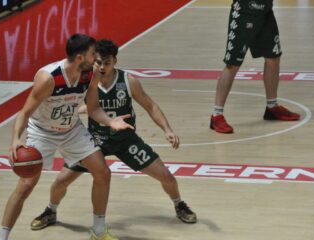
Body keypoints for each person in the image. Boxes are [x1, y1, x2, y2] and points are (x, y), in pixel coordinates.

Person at [30, 39, 197, 235]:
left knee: (166, 176)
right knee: (61, 182)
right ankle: (51, 211)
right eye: (98, 62)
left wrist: (167, 129)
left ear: (115, 61)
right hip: (94, 142)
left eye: (106, 63)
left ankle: (179, 204)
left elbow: (150, 105)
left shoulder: (128, 81)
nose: (101, 67)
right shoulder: (84, 80)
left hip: (125, 141)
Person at [0, 34, 133, 240]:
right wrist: (16, 139)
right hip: (42, 131)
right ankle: (2, 237)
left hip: (71, 130)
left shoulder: (90, 74)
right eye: (92, 53)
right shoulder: (48, 78)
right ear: (79, 57)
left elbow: (93, 108)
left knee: (102, 173)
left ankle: (98, 231)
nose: (96, 57)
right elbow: (24, 112)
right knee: (25, 185)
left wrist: (110, 122)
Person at [210, 0, 300, 134]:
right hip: (243, 13)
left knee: (273, 57)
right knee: (233, 64)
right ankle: (216, 115)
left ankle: (272, 107)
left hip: (265, 13)